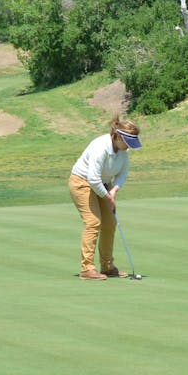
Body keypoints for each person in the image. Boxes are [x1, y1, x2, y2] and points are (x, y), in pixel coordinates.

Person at [68, 115, 142, 280]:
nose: (128, 147)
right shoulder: (101, 147)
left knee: (110, 222)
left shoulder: (123, 151)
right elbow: (93, 178)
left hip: (104, 184)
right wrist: (108, 197)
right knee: (93, 222)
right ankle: (87, 268)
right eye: (127, 143)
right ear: (119, 137)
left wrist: (114, 191)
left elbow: (123, 173)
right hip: (82, 182)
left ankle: (107, 266)